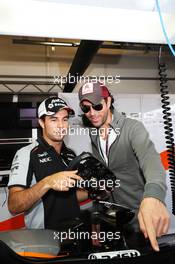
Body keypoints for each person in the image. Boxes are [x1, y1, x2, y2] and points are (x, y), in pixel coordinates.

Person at [78, 81, 170, 251]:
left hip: (138, 222)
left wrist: (153, 196)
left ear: (108, 101)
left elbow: (152, 163)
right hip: (111, 220)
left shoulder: (133, 129)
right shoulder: (93, 133)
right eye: (86, 108)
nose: (92, 113)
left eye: (97, 106)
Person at [8, 96, 86, 230]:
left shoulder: (71, 154)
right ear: (42, 122)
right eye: (54, 119)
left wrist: (95, 191)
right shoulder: (27, 153)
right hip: (44, 240)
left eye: (65, 119)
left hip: (74, 235)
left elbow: (68, 199)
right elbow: (14, 205)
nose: (61, 125)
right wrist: (48, 182)